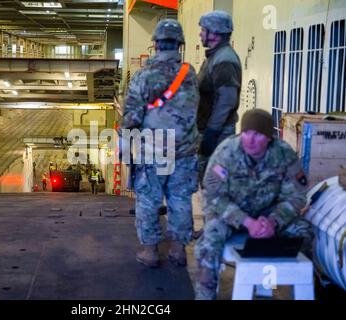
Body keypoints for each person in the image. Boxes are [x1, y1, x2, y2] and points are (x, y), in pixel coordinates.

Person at [193, 109, 314, 300]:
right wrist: (248, 222)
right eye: (246, 133)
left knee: (304, 231)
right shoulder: (226, 153)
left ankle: (290, 290)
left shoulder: (284, 154)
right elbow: (213, 196)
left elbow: (297, 196)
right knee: (209, 242)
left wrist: (273, 222)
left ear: (268, 138)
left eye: (257, 135)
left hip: (268, 215)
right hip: (230, 216)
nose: (249, 140)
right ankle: (204, 296)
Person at [120, 19, 200, 268]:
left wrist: (124, 145)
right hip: (185, 151)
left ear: (154, 44)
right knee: (180, 199)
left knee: (148, 199)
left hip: (153, 151)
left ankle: (151, 251)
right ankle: (178, 250)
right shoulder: (190, 74)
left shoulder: (144, 76)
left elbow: (131, 117)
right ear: (179, 45)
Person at [196, 10, 242, 184]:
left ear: (214, 33)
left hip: (218, 135)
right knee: (209, 182)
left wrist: (212, 133)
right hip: (211, 131)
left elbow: (227, 100)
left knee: (216, 183)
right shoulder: (215, 57)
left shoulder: (224, 60)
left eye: (203, 30)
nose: (200, 33)